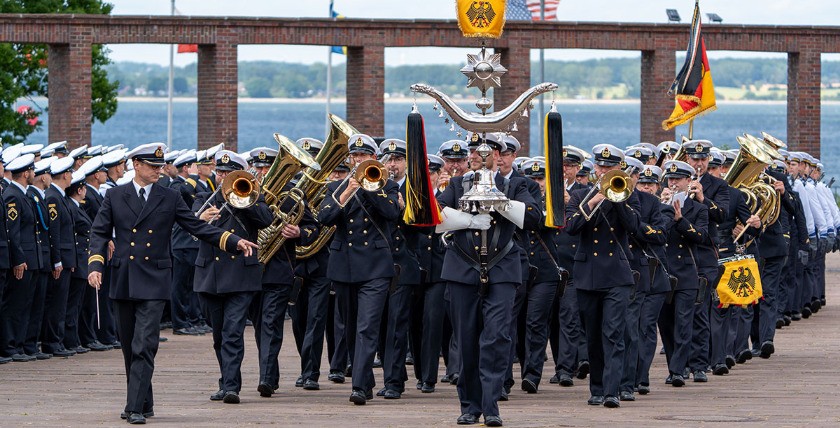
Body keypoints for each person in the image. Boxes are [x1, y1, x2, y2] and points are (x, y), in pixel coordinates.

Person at [87, 143, 259, 424]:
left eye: (159, 166)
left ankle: (134, 408)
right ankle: (145, 400)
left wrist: (233, 241)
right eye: (152, 166)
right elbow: (99, 232)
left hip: (154, 278)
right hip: (123, 277)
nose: (158, 170)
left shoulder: (170, 196)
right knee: (130, 346)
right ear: (136, 165)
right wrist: (96, 266)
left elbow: (197, 227)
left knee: (145, 344)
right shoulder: (116, 195)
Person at [436, 133, 538, 426]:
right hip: (463, 268)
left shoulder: (516, 184)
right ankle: (469, 404)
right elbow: (435, 217)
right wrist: (468, 220)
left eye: (491, 150)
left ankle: (491, 404)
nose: (482, 155)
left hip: (502, 267)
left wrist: (500, 202)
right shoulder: (457, 184)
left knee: (496, 337)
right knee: (466, 338)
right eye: (475, 150)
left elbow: (532, 217)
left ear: (499, 155)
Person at [318, 133, 401, 405]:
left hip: (376, 266)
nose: (358, 160)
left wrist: (369, 187)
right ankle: (365, 381)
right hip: (344, 266)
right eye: (354, 156)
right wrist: (345, 193)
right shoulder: (337, 187)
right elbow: (323, 217)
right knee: (351, 326)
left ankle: (357, 385)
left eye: (363, 156)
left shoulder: (386, 185)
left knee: (367, 326)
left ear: (373, 158)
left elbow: (391, 214)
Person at [192, 150, 274, 404]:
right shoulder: (204, 199)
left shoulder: (252, 197)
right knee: (219, 336)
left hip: (240, 276)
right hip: (210, 276)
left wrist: (245, 199)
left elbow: (266, 219)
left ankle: (230, 387)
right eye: (220, 172)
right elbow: (188, 227)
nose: (223, 177)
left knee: (233, 332)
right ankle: (227, 379)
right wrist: (200, 218)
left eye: (229, 173)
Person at [565, 144, 641, 408]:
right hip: (587, 275)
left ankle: (612, 390)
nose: (604, 171)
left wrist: (617, 200)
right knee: (593, 336)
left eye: (610, 168)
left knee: (613, 333)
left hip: (616, 276)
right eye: (601, 167)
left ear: (618, 169)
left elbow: (635, 228)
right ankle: (596, 388)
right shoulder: (580, 197)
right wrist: (594, 200)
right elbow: (572, 228)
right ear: (594, 168)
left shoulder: (629, 195)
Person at [657, 160, 709, 387]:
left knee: (684, 322)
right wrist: (662, 208)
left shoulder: (699, 209)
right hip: (664, 272)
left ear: (689, 181)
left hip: (687, 272)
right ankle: (673, 365)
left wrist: (680, 220)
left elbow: (701, 237)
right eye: (670, 179)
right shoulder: (660, 206)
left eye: (678, 179)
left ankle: (679, 369)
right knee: (665, 324)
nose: (674, 183)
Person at [550, 146, 589, 386]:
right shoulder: (544, 190)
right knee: (553, 321)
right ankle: (564, 363)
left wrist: (571, 201)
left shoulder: (584, 191)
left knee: (570, 317)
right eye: (562, 165)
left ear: (577, 169)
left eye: (570, 166)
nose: (565, 169)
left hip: (574, 263)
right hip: (551, 261)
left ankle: (567, 367)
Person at [0, 154, 41, 363]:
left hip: (30, 259)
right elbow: (12, 232)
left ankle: (19, 344)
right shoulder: (13, 196)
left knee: (25, 304)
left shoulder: (23, 194)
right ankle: (9, 345)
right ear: (26, 173)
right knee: (15, 305)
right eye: (32, 170)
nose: (34, 174)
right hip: (22, 259)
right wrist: (18, 259)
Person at [41, 157, 80, 356]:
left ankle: (57, 340)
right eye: (71, 173)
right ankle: (51, 342)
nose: (72, 176)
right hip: (59, 259)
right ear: (65, 175)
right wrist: (57, 260)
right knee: (56, 302)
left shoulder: (60, 196)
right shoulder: (53, 198)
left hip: (66, 258)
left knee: (61, 302)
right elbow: (54, 233)